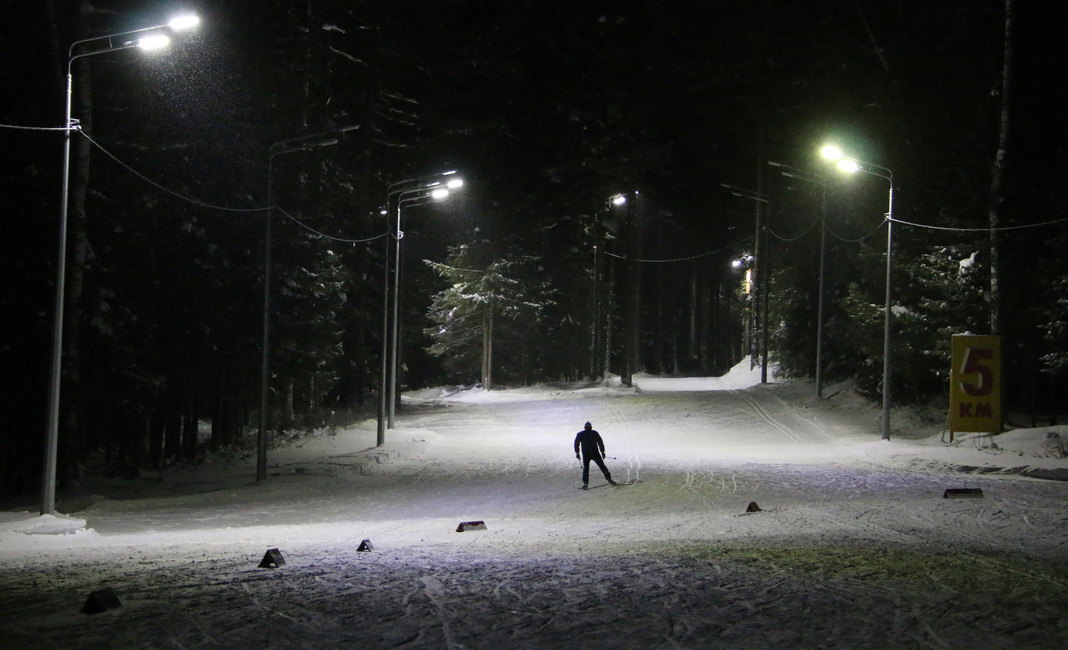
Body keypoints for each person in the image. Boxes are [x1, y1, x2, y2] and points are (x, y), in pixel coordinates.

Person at [574, 421, 616, 489]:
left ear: (584, 428)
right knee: (602, 466)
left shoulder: (580, 434)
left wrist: (577, 453)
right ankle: (609, 480)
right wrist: (602, 452)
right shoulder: (594, 433)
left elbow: (576, 443)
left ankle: (585, 484)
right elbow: (600, 442)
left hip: (586, 454)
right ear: (591, 427)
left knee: (586, 469)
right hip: (595, 453)